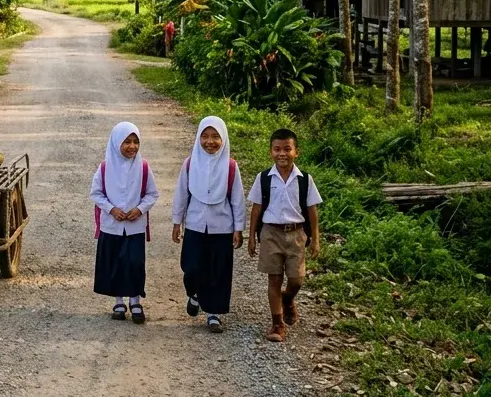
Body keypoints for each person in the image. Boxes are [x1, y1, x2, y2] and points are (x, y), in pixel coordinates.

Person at [247, 128, 322, 343]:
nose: (282, 154)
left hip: (296, 234)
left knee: (297, 279)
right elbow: (256, 208)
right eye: (277, 149)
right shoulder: (263, 178)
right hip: (270, 232)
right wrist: (251, 236)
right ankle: (277, 323)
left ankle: (288, 299)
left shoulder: (304, 179)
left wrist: (315, 239)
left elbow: (312, 211)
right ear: (271, 152)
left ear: (296, 152)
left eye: (287, 149)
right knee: (274, 278)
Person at [171, 116, 245, 334]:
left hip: (221, 227)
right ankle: (194, 293)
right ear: (198, 138)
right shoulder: (190, 163)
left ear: (223, 139)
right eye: (205, 136)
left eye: (215, 137)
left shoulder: (231, 166)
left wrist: (238, 228)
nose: (209, 142)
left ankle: (213, 314)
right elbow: (181, 194)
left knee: (218, 271)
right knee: (191, 267)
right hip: (194, 224)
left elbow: (237, 199)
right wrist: (177, 222)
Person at [90, 122, 159, 323]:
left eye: (135, 142)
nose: (132, 146)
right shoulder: (104, 168)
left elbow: (152, 194)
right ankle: (119, 301)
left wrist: (140, 209)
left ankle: (135, 300)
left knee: (135, 263)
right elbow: (95, 193)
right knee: (115, 263)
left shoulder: (144, 167)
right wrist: (112, 209)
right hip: (111, 226)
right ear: (116, 143)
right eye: (127, 142)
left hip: (135, 227)